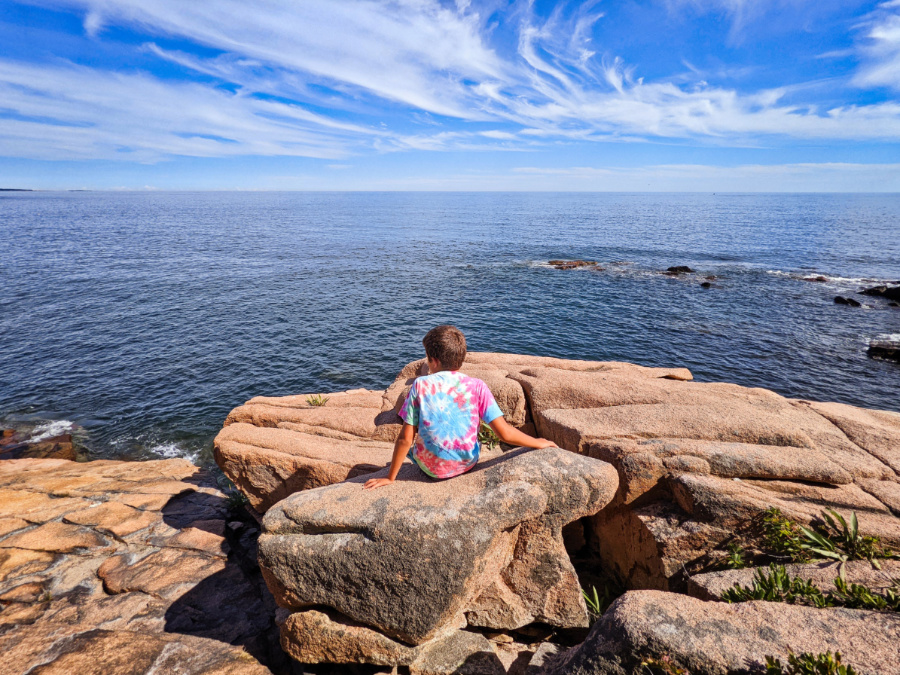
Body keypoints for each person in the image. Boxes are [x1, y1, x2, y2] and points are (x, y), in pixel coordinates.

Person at [364, 325, 557, 490]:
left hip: (431, 469)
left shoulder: (420, 385)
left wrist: (390, 478)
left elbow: (406, 438)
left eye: (427, 358)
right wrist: (538, 442)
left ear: (434, 360)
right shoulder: (477, 386)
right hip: (467, 464)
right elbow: (505, 433)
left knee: (412, 448)